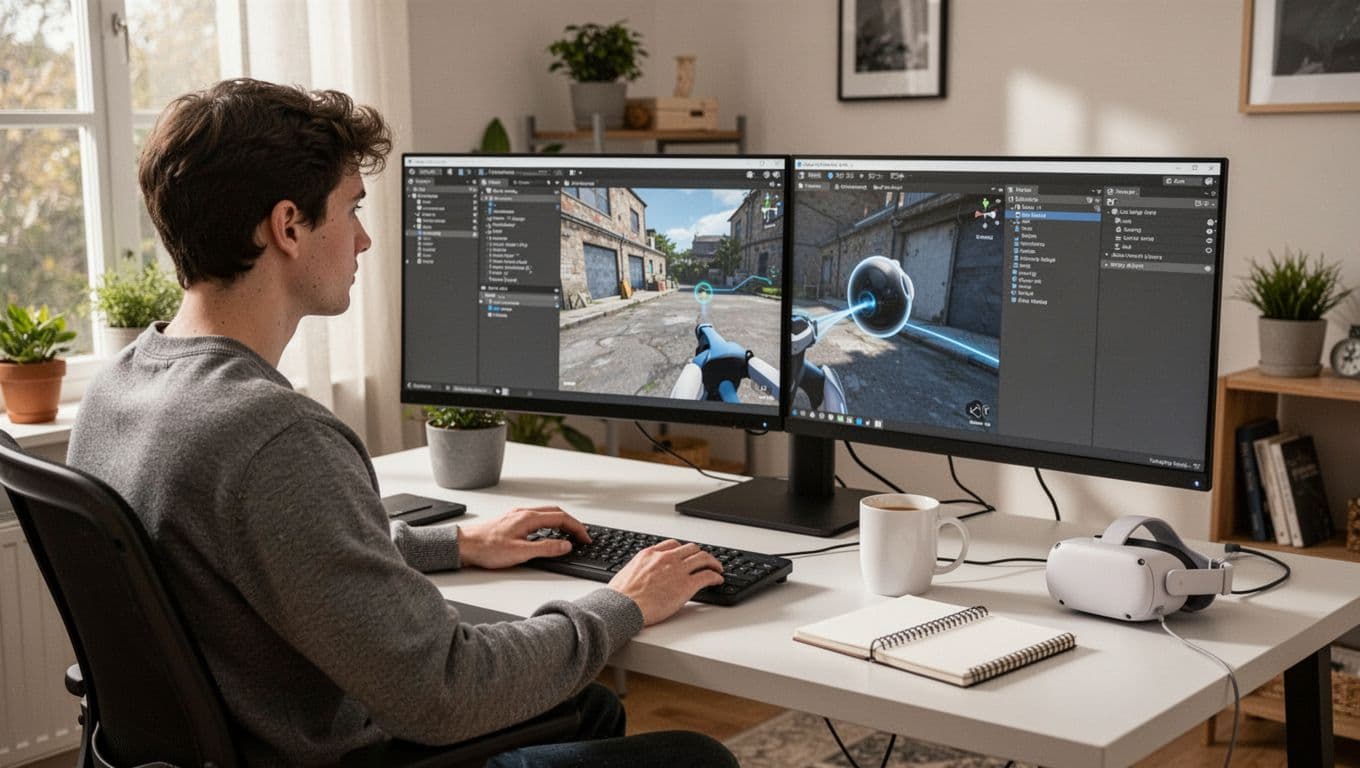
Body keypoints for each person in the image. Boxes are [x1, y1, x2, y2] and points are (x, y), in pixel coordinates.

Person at [68, 78, 738, 768]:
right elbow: (446, 690)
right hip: (342, 751)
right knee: (694, 757)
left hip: (222, 746)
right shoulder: (272, 435)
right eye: (351, 208)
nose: (362, 239)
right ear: (288, 225)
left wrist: (453, 544)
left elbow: (257, 554)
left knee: (589, 707)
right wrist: (622, 601)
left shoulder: (119, 387)